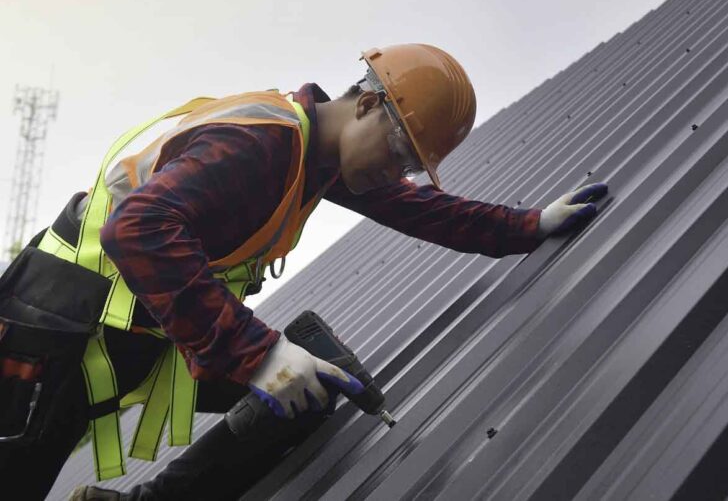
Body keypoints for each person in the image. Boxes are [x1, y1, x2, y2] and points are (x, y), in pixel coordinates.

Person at [0, 43, 608, 500]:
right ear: (367, 105)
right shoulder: (265, 141)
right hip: (52, 327)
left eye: (410, 166)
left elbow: (427, 212)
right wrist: (258, 352)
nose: (398, 176)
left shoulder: (320, 159)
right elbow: (135, 227)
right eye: (399, 155)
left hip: (142, 332)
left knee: (310, 393)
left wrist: (527, 226)